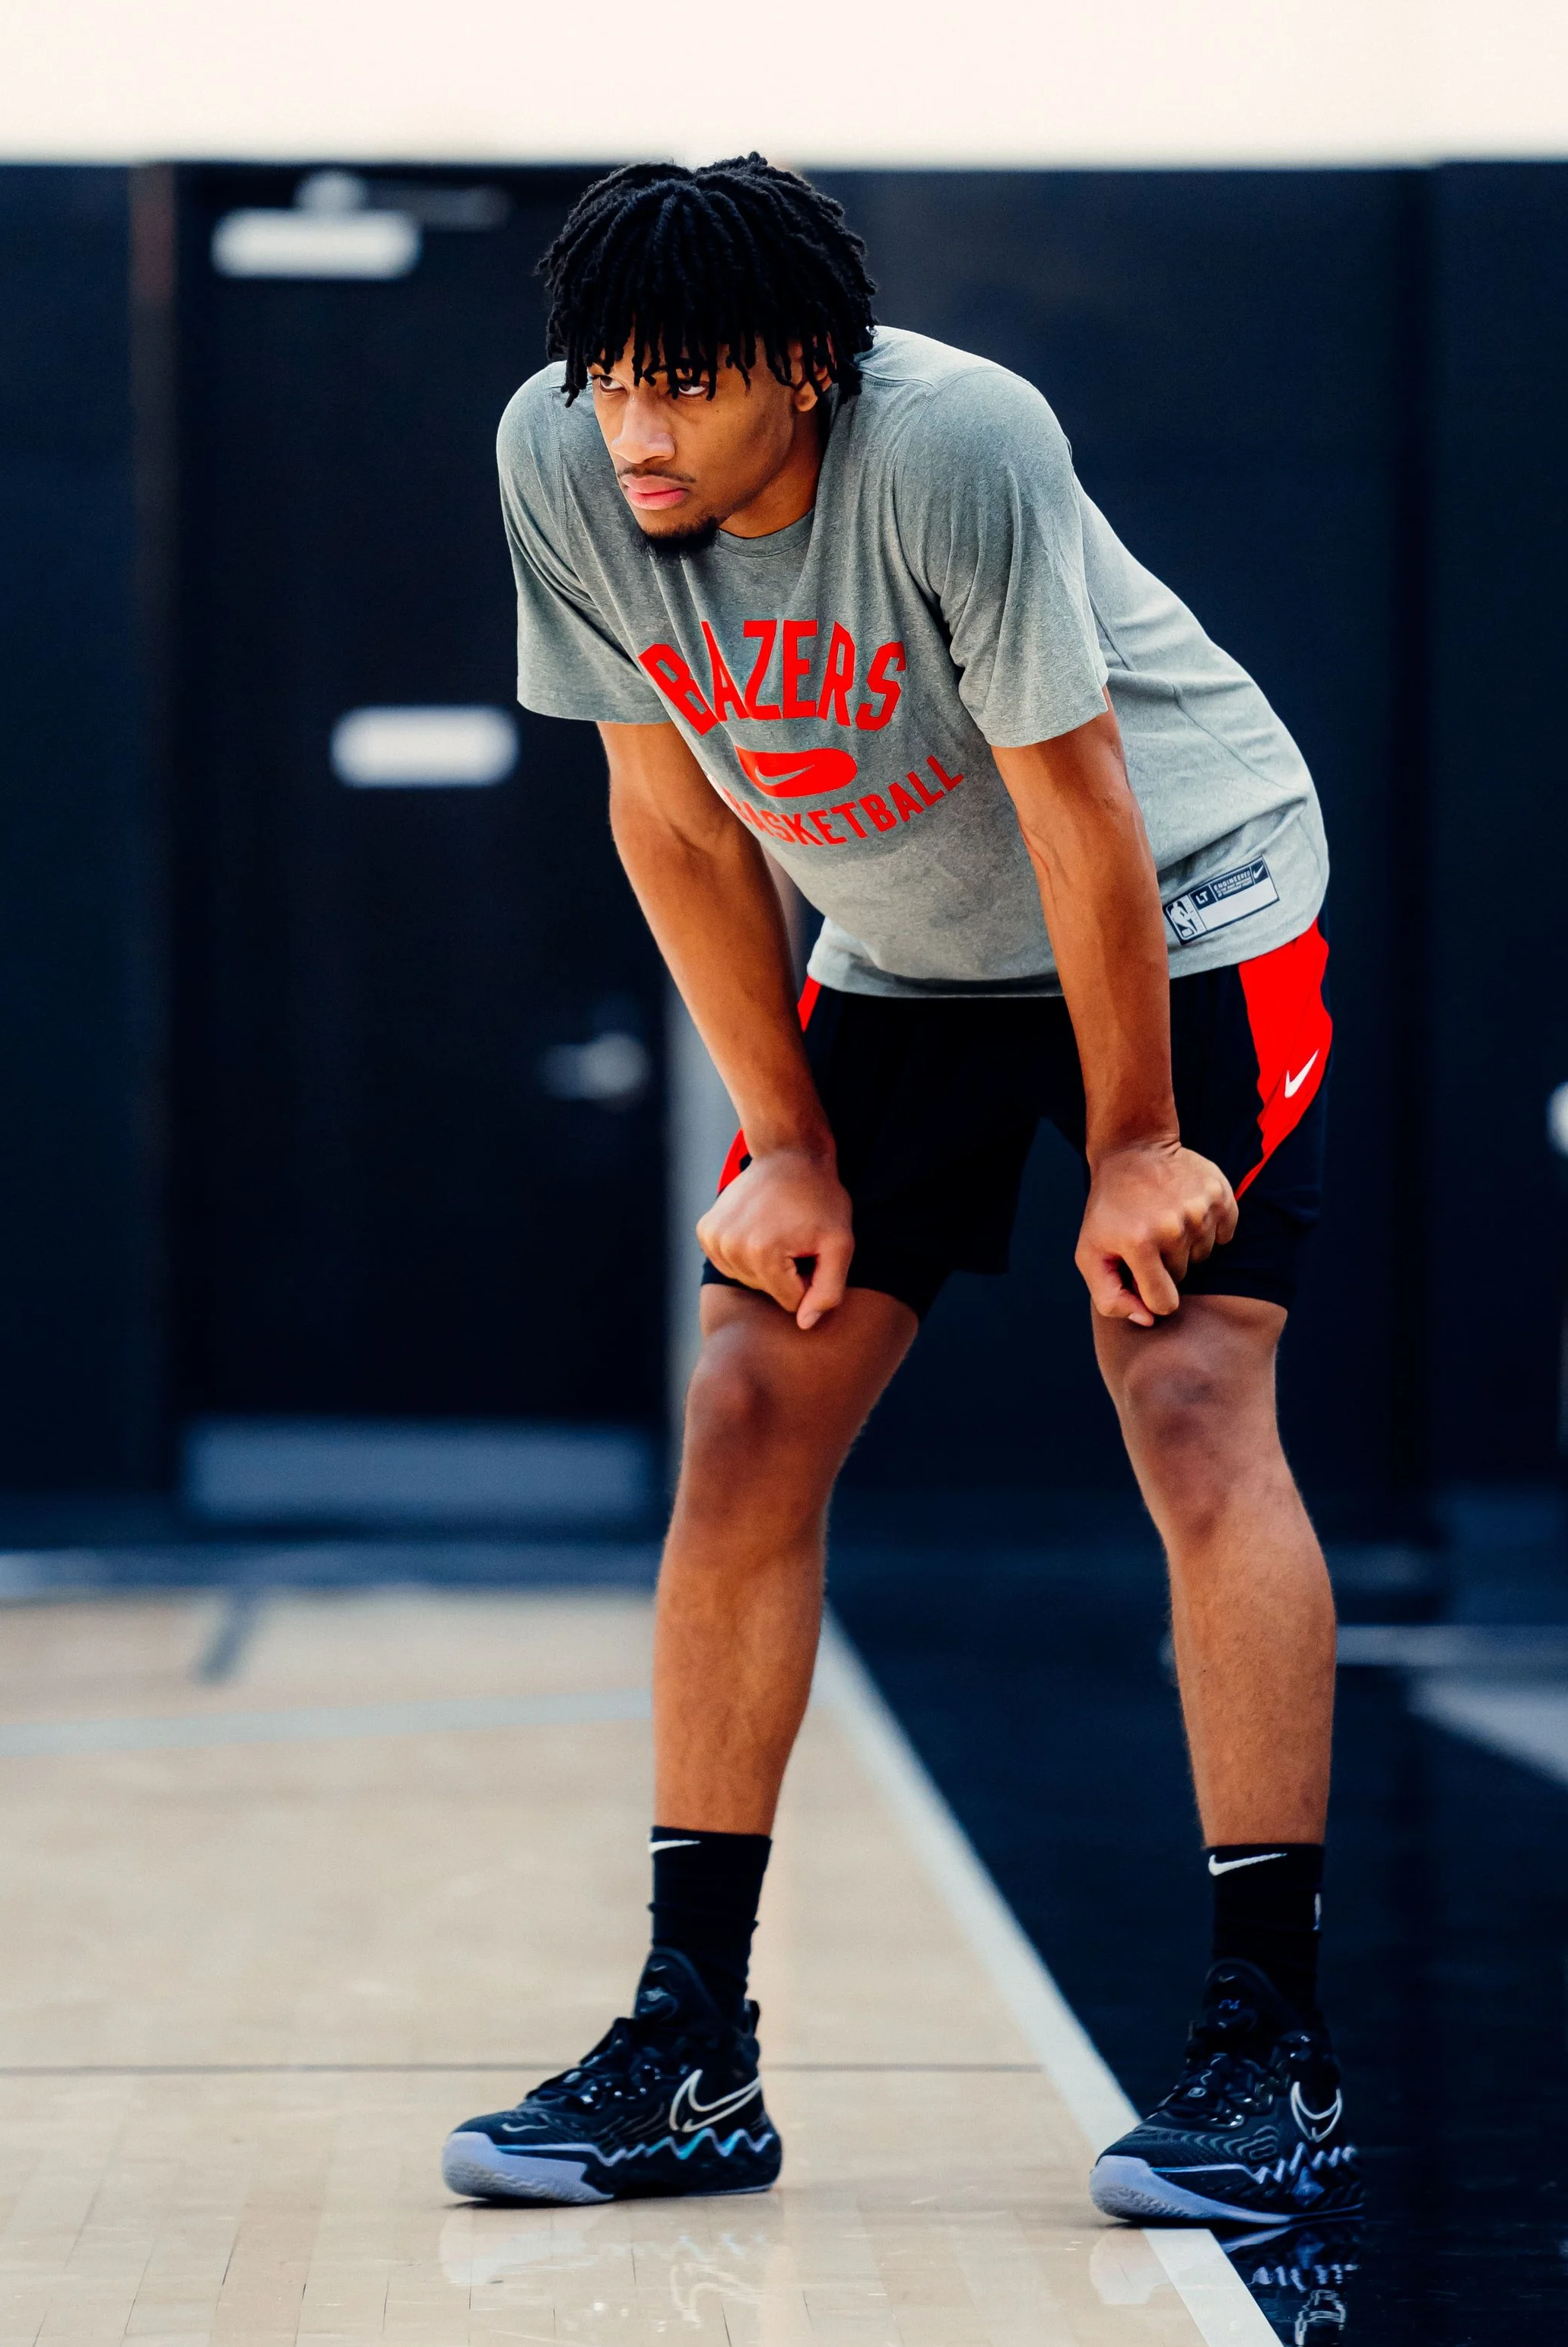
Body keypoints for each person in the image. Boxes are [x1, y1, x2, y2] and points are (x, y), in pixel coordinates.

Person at [440, 155, 1360, 2228]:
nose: (635, 431)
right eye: (607, 381)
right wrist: (777, 1135)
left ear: (810, 370)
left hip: (1188, 904)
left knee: (1187, 1392)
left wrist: (1135, 1141)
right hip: (907, 948)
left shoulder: (956, 442)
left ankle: (1264, 2045)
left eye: (682, 386)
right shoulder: (560, 461)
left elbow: (1080, 796)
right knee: (747, 1407)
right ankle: (690, 2041)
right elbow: (665, 816)